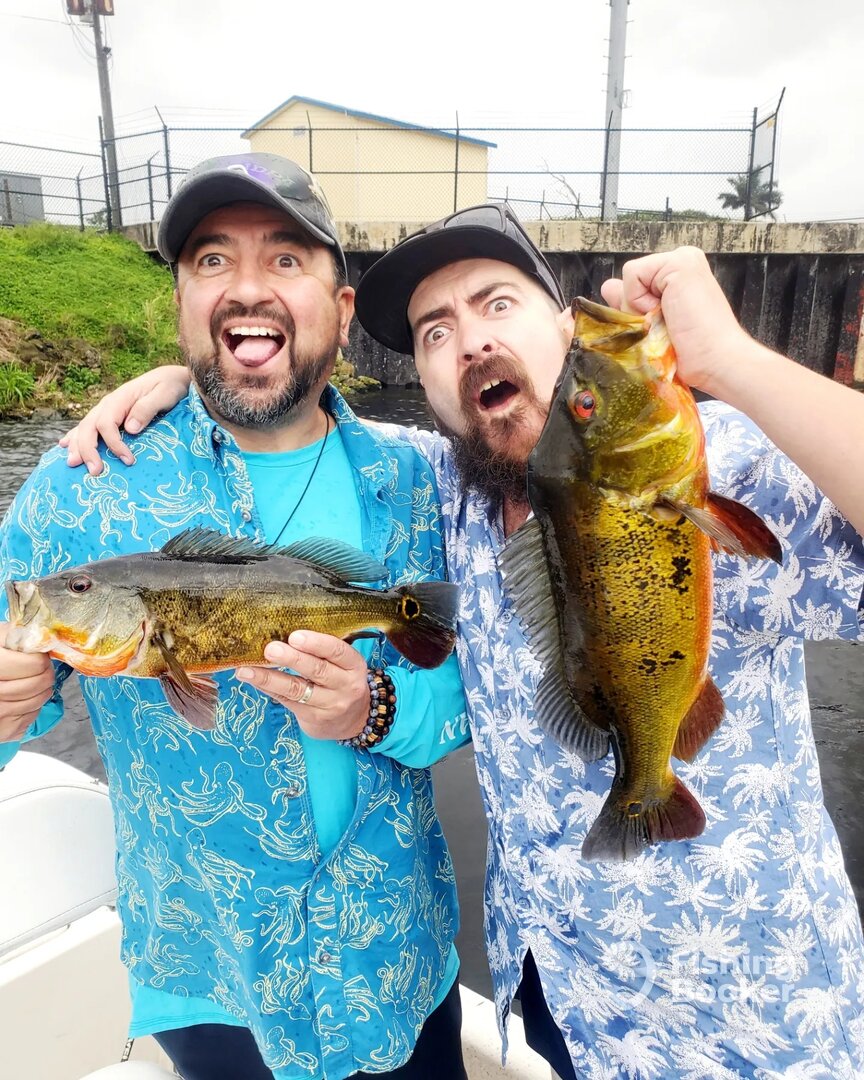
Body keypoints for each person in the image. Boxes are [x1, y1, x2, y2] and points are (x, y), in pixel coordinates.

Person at [61, 207, 864, 1078]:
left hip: (750, 1019)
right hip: (556, 993)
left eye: (497, 304)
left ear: (567, 332)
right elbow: (293, 427)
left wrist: (735, 364)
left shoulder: (709, 467)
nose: (472, 342)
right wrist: (194, 384)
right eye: (435, 332)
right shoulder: (444, 488)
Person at [0, 154, 472, 1080]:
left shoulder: (421, 479)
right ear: (179, 301)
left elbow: (471, 694)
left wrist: (376, 708)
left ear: (341, 310)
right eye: (212, 260)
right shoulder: (79, 486)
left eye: (286, 259)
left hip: (396, 958)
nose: (247, 287)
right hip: (212, 977)